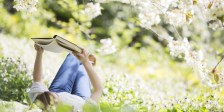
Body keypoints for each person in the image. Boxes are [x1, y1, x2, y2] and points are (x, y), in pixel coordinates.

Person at [28, 44, 103, 111]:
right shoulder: (84, 109)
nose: (59, 96)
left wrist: (39, 52)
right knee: (81, 67)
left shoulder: (43, 100)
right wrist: (85, 62)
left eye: (55, 95)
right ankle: (87, 63)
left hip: (60, 91)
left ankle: (85, 63)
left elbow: (37, 80)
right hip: (83, 99)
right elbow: (98, 89)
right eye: (57, 96)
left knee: (73, 56)